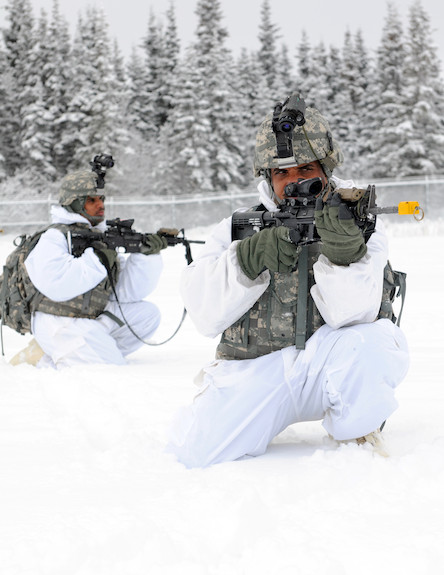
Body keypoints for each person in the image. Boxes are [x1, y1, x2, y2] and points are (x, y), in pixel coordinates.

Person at [167, 94, 410, 467]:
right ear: (268, 178)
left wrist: (345, 253)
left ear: (326, 171)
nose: (295, 183)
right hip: (255, 369)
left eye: (305, 170)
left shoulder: (358, 224)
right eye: (282, 173)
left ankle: (356, 435)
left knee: (372, 342)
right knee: (196, 453)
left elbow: (354, 316)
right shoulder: (239, 228)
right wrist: (246, 260)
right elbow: (202, 313)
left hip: (325, 364)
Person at [20, 169, 167, 368]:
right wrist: (99, 258)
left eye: (101, 199)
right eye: (91, 200)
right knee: (107, 373)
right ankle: (65, 352)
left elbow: (126, 291)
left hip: (90, 315)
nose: (101, 205)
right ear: (74, 203)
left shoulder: (97, 235)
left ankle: (84, 351)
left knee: (147, 314)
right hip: (61, 322)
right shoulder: (53, 237)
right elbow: (56, 284)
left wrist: (146, 255)